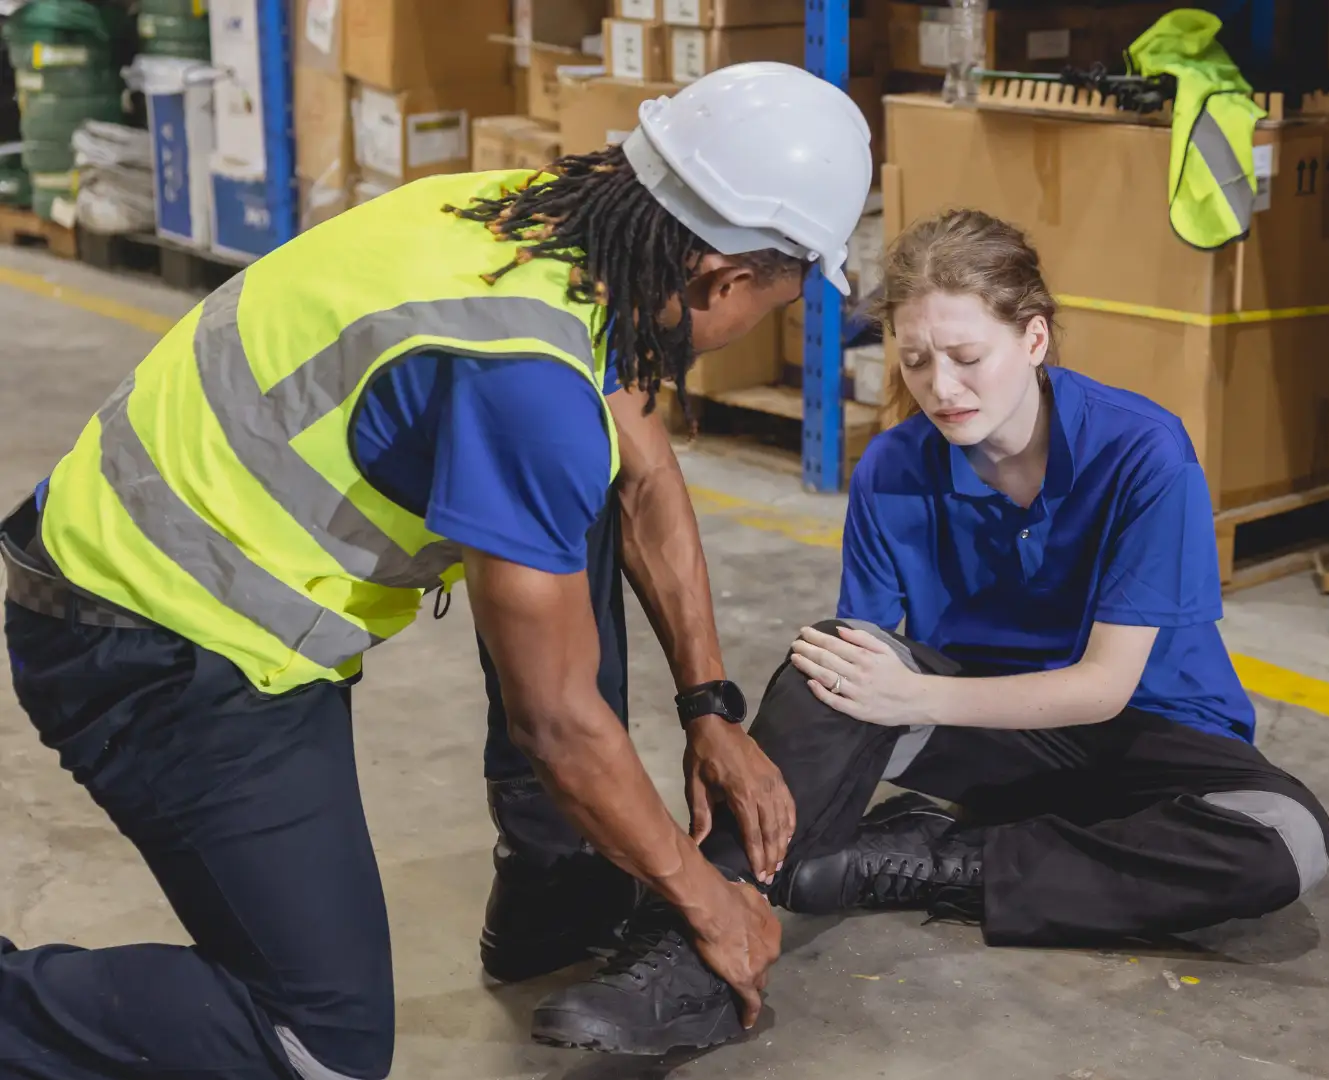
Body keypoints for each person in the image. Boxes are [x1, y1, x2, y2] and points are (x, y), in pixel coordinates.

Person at [0, 62, 870, 1080]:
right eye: (780, 296)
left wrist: (709, 707)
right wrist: (705, 896)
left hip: (131, 562)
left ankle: (558, 890)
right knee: (314, 1047)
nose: (768, 320)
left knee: (567, 495)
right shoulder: (523, 383)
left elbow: (640, 475)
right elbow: (560, 724)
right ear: (722, 278)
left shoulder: (528, 220)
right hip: (154, 642)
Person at [532, 208, 1329, 1050]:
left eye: (966, 357)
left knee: (1288, 842)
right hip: (994, 740)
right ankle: (689, 946)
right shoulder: (894, 465)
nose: (942, 388)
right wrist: (857, 697)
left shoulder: (1142, 453)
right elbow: (856, 673)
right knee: (831, 665)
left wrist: (911, 693)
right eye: (916, 362)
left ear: (1033, 338)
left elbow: (1104, 690)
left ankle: (932, 860)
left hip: (1152, 740)